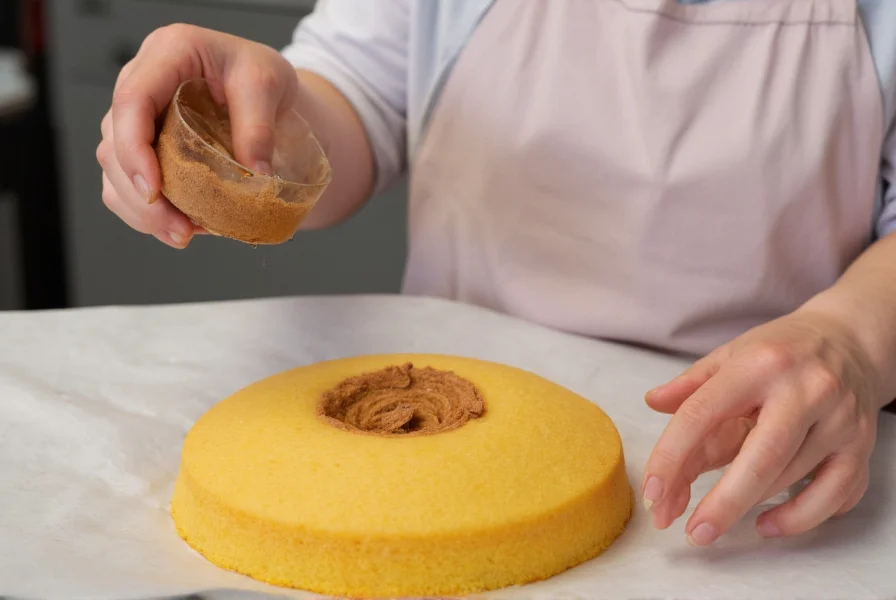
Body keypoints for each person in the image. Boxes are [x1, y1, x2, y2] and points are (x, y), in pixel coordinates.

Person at [96, 0, 896, 548]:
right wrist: (247, 127)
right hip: (430, 442)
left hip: (760, 457)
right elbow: (352, 107)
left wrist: (850, 337)